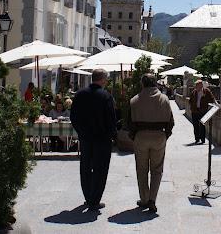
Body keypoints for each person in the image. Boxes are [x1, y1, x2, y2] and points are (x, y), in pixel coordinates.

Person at [127, 74, 174, 213]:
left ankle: (144, 198)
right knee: (157, 169)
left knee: (141, 169)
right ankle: (153, 199)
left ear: (142, 84)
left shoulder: (134, 100)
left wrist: (134, 136)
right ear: (155, 83)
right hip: (159, 136)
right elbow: (171, 122)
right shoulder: (164, 99)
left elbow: (129, 122)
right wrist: (166, 135)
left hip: (141, 136)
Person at [70, 69, 116, 211]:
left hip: (85, 139)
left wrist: (81, 132)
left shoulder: (80, 95)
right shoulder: (106, 96)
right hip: (102, 140)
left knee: (85, 167)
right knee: (100, 169)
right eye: (106, 79)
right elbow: (111, 119)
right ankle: (94, 199)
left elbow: (74, 117)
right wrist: (112, 135)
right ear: (102, 79)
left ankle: (88, 196)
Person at [189, 79, 216, 144]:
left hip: (203, 111)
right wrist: (192, 107)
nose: (196, 87)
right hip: (195, 111)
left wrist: (216, 103)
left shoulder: (206, 91)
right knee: (195, 126)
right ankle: (197, 139)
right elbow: (190, 101)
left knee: (202, 126)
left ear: (201, 85)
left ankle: (202, 139)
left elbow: (212, 98)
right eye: (196, 85)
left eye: (197, 85)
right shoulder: (194, 92)